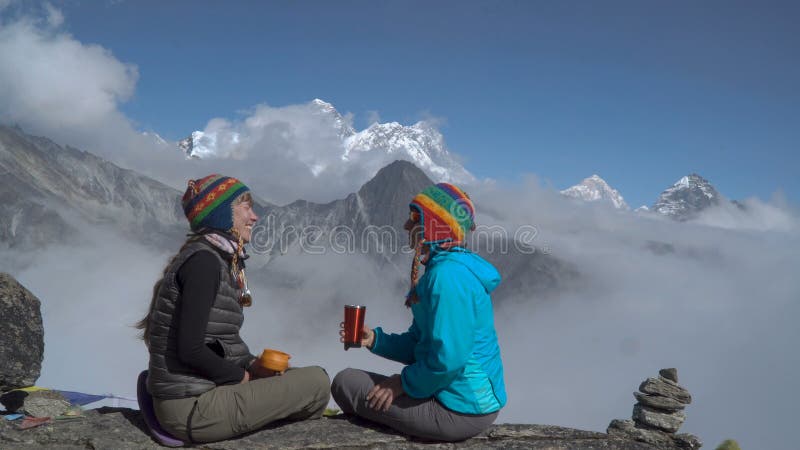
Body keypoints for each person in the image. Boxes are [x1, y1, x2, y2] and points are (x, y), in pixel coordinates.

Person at [136, 174, 330, 444]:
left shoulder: (211, 258)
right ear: (222, 216)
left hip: (192, 396)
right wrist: (244, 376)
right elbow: (190, 349)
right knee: (317, 383)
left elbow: (217, 342)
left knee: (294, 377)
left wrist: (253, 365)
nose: (255, 217)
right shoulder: (204, 263)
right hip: (191, 407)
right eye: (246, 208)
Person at [331, 182, 507, 442]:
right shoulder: (448, 268)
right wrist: (375, 340)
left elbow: (449, 359)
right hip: (460, 396)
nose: (406, 225)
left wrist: (401, 383)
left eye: (415, 217)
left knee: (345, 383)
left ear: (434, 226)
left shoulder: (447, 278)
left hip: (461, 410)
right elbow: (422, 342)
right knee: (351, 382)